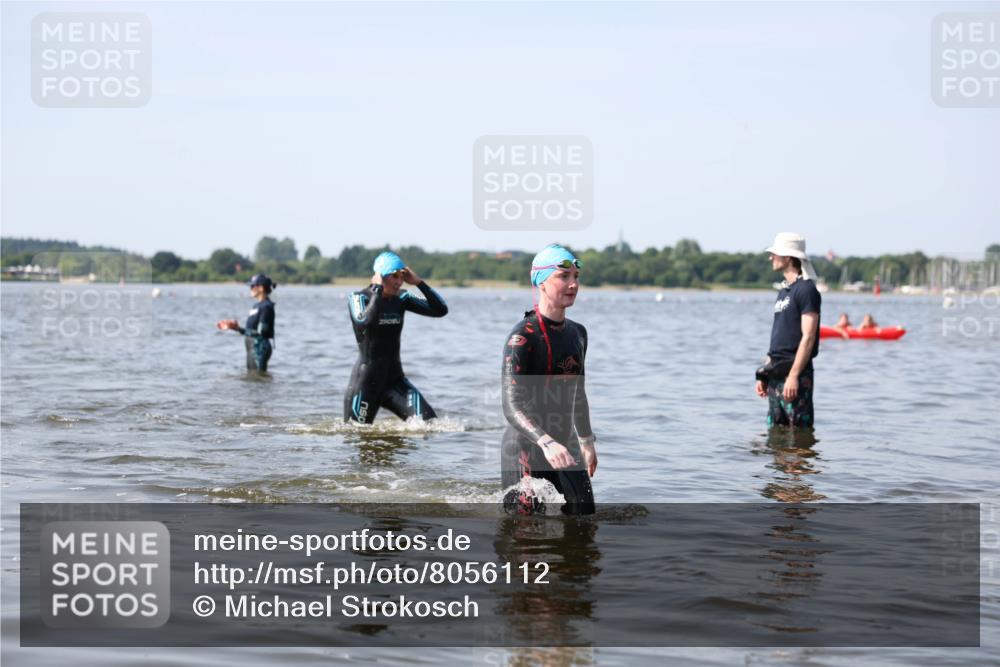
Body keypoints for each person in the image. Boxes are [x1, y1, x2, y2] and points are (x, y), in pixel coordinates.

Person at [501, 244, 597, 515]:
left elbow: (578, 393)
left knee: (585, 520)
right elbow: (511, 406)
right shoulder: (522, 337)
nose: (573, 284)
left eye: (576, 276)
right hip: (526, 444)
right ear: (541, 282)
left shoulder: (578, 333)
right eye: (563, 276)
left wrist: (587, 441)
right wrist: (546, 442)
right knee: (525, 531)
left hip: (566, 442)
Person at [344, 251, 448, 423]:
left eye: (402, 276)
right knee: (356, 434)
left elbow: (440, 310)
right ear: (380, 276)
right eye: (394, 276)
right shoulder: (358, 298)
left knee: (430, 425)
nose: (399, 282)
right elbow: (365, 322)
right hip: (366, 383)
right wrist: (377, 291)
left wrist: (419, 283)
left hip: (395, 381)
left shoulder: (402, 298)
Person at [755, 233, 821, 428]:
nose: (771, 258)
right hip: (775, 372)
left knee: (798, 435)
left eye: (775, 254)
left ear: (788, 257)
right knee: (775, 435)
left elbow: (808, 337)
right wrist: (765, 374)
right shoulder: (783, 292)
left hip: (796, 373)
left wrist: (793, 376)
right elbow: (779, 337)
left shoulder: (807, 290)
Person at [216, 274, 277, 373]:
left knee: (257, 378)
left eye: (252, 286)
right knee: (252, 377)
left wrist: (238, 329)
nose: (250, 289)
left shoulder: (266, 307)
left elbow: (261, 333)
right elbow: (251, 329)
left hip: (259, 348)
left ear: (261, 288)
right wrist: (233, 326)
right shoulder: (256, 306)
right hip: (252, 347)